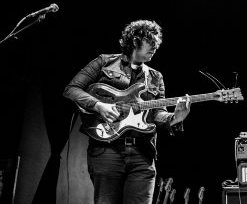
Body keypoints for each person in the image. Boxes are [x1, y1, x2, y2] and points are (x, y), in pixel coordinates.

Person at [63, 19, 191, 204]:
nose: (156, 45)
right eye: (150, 40)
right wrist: (99, 105)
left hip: (143, 154)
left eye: (157, 41)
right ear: (135, 40)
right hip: (106, 151)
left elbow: (157, 113)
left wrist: (175, 117)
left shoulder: (155, 77)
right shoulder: (104, 62)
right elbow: (71, 89)